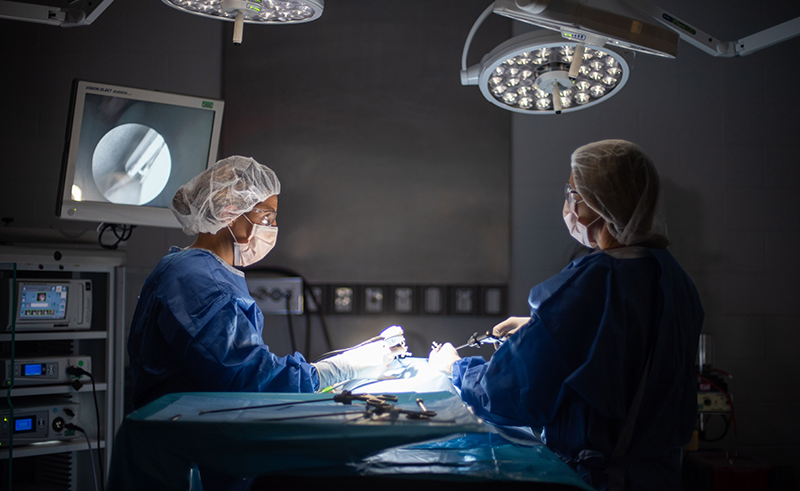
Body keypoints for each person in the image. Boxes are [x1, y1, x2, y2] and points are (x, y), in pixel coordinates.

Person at [429, 140, 704, 491]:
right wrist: (540, 327)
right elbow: (629, 344)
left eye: (572, 192)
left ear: (597, 204)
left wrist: (454, 366)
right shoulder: (673, 277)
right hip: (660, 477)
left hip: (600, 479)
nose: (568, 203)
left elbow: (508, 395)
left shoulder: (593, 282)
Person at [128, 155, 400, 412]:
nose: (272, 228)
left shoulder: (190, 269)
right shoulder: (200, 281)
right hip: (180, 450)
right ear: (231, 214)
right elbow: (247, 379)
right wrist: (340, 369)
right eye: (266, 218)